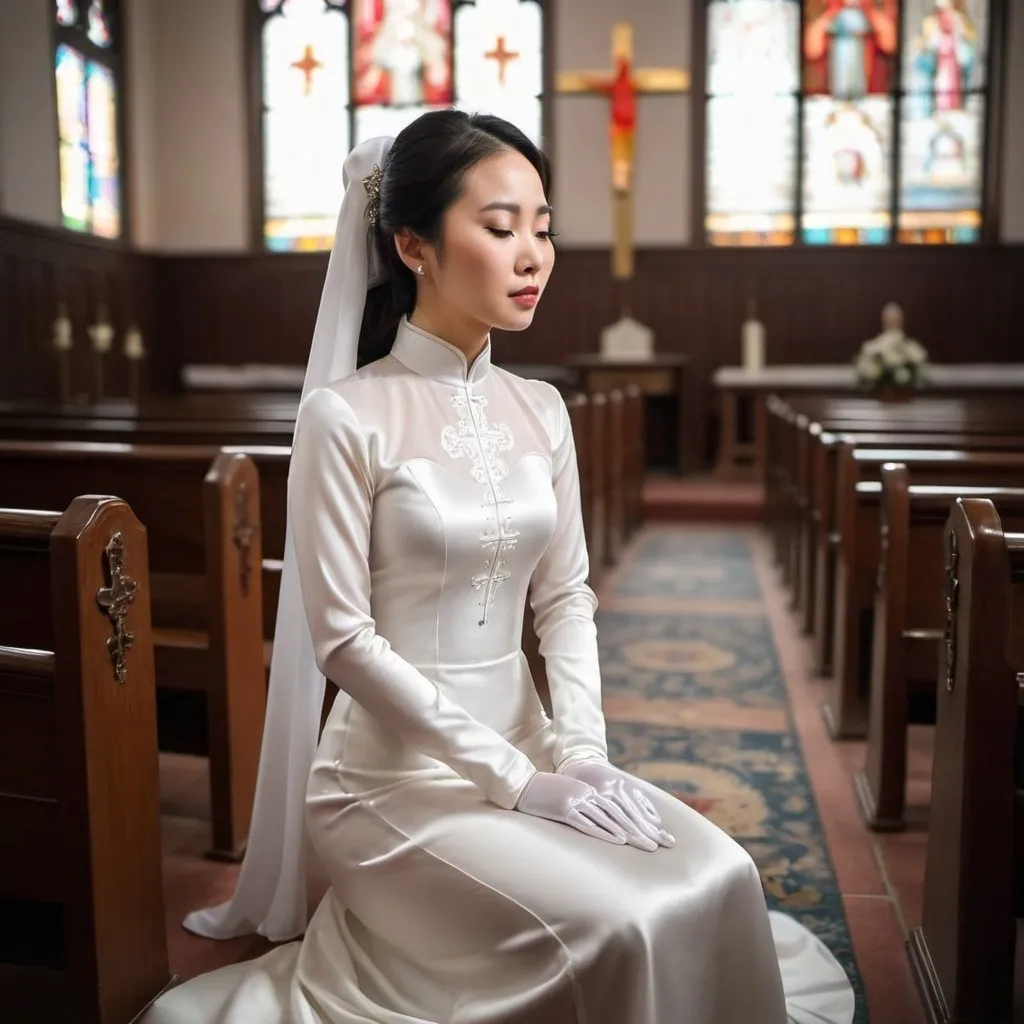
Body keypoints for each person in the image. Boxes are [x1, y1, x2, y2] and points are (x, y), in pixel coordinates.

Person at [144, 110, 854, 1023]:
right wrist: (517, 786)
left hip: (539, 749)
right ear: (413, 244)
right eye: (500, 225)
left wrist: (583, 757)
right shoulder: (346, 415)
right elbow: (343, 641)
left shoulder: (543, 409)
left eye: (544, 227)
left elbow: (565, 598)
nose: (534, 255)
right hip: (389, 783)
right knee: (617, 925)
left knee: (722, 875)